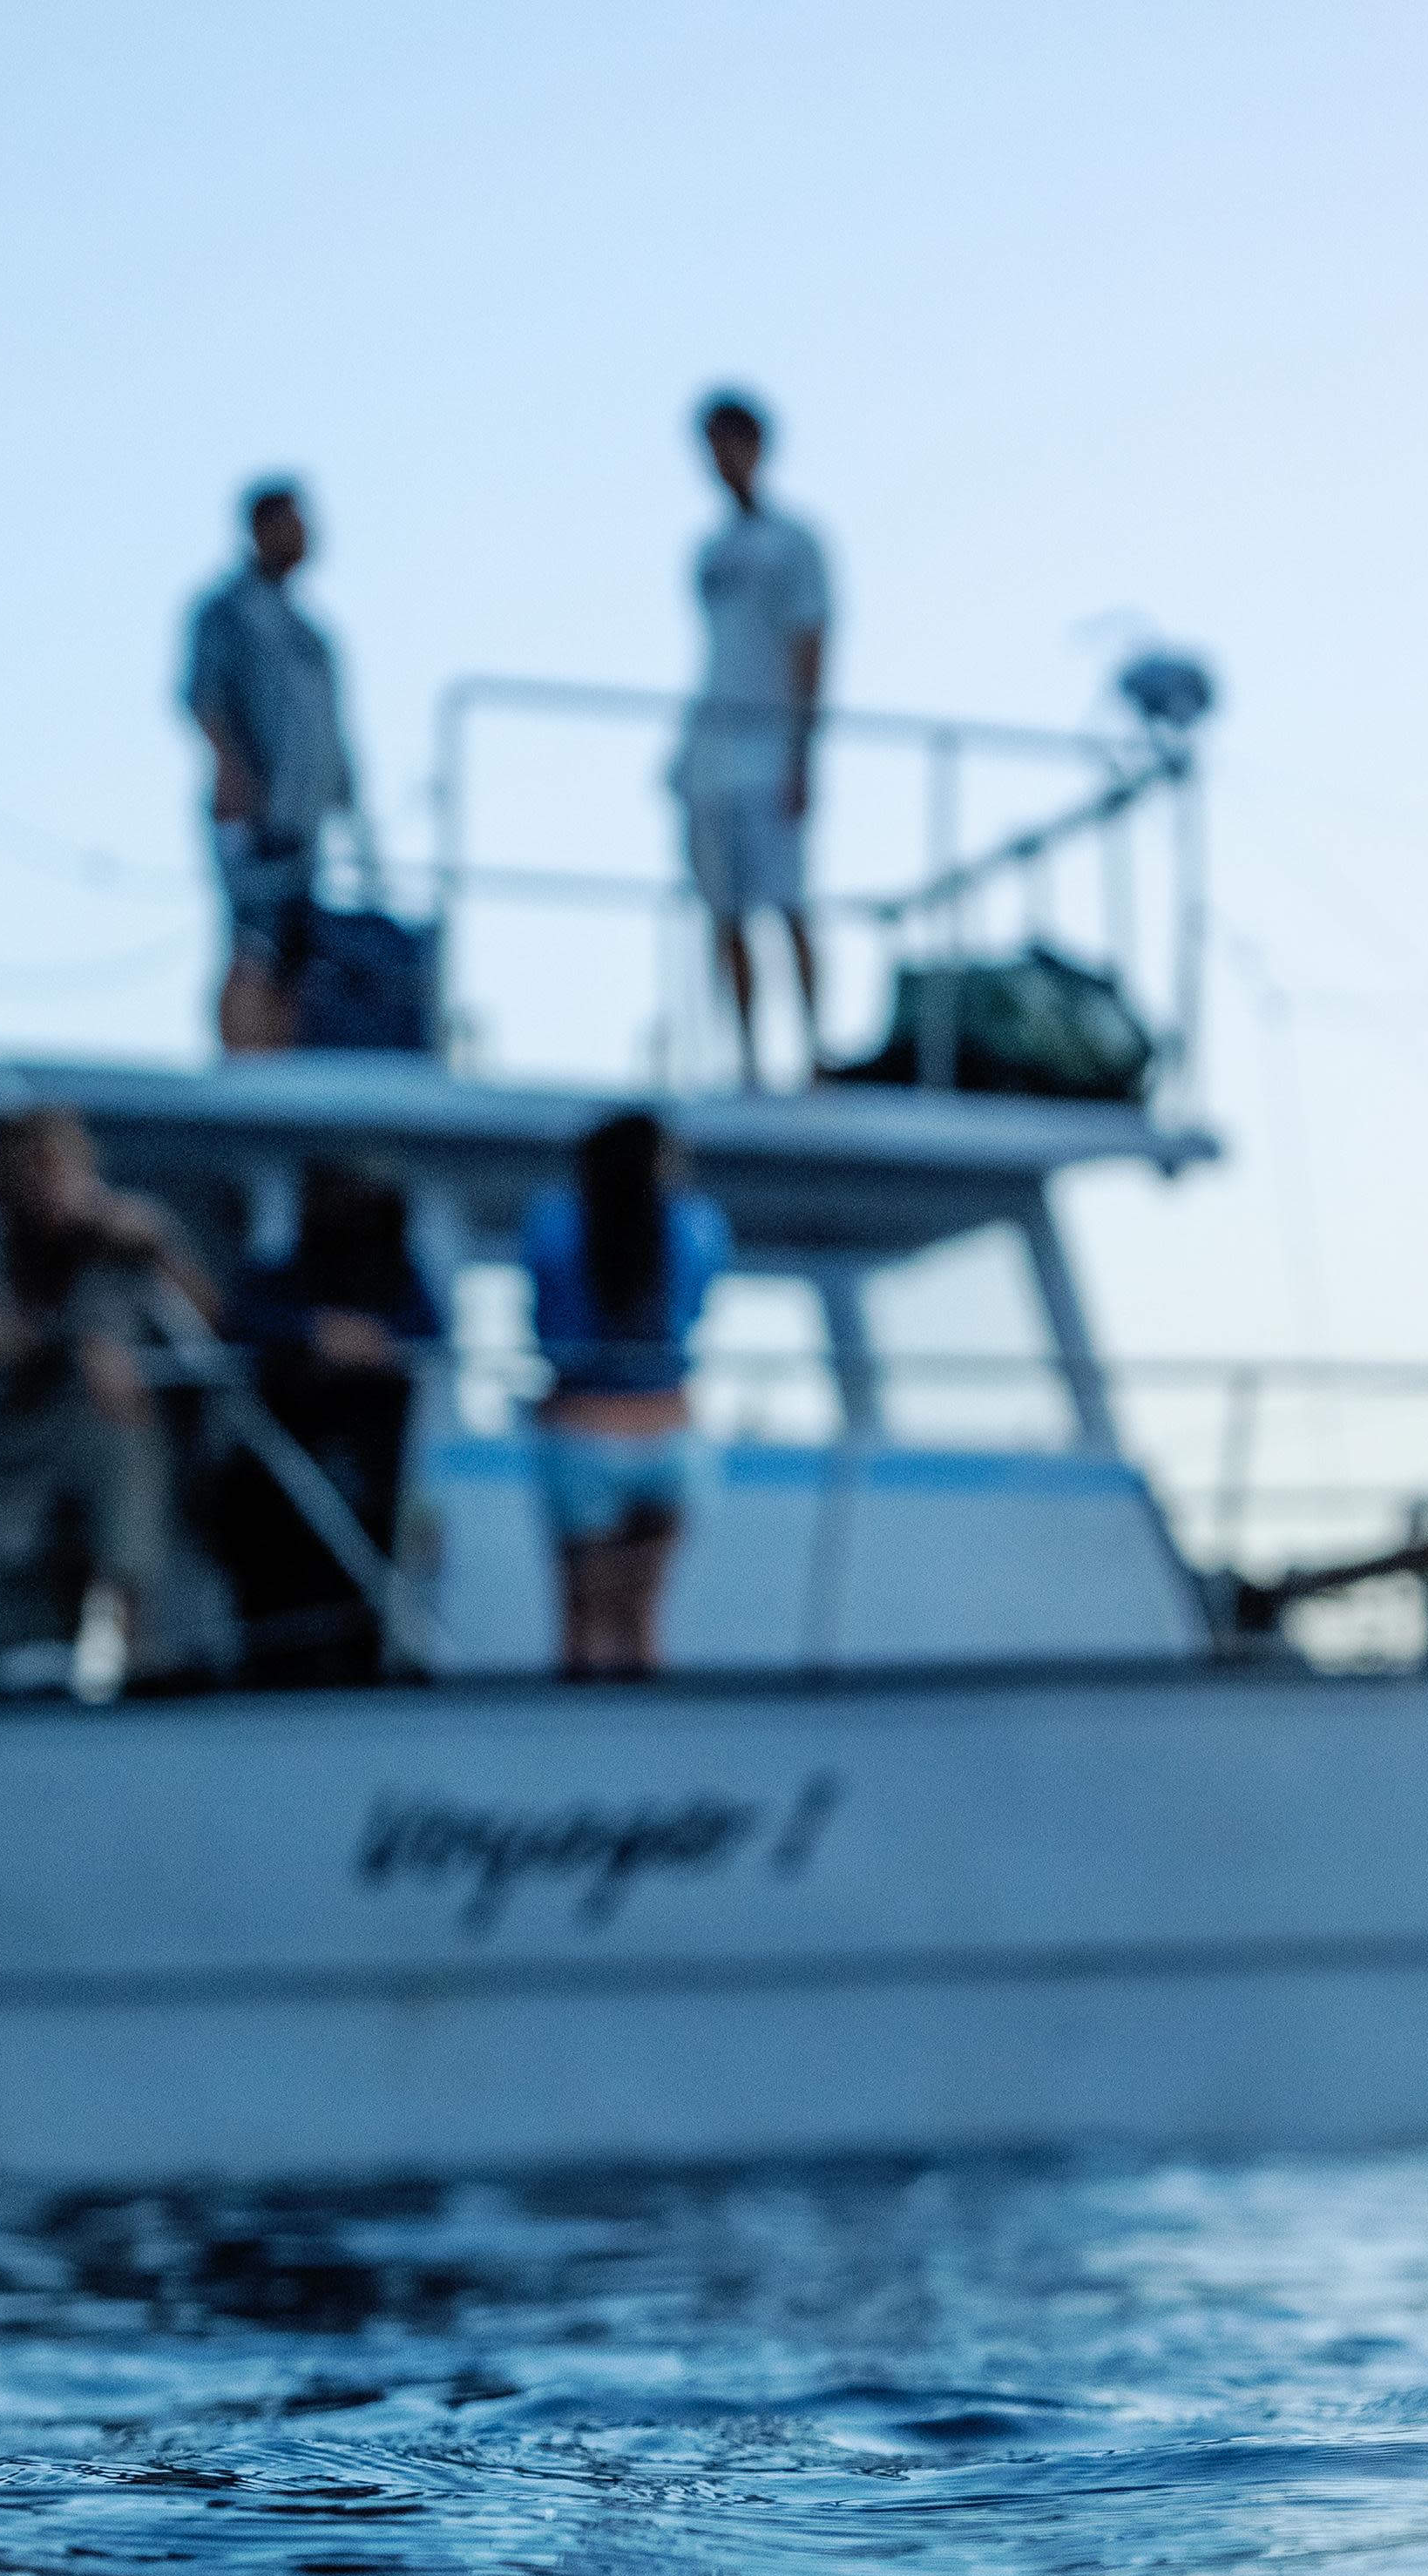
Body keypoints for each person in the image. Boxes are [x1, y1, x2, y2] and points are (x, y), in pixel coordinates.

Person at [0, 1106, 226, 1696]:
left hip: (111, 1487)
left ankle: (140, 1648)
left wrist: (160, 1249)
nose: (49, 1185)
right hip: (10, 1502)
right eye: (31, 1169)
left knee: (122, 1433)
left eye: (61, 1167)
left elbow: (211, 1324)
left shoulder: (127, 1250)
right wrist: (68, 1349)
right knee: (28, 1681)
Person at [201, 1158, 437, 1687]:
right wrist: (313, 1331)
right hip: (274, 1489)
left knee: (361, 1616)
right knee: (276, 1622)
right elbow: (237, 1318)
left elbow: (427, 1328)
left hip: (372, 1481)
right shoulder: (276, 1278)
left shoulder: (399, 1280)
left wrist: (372, 1342)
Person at [511, 1110, 729, 1679]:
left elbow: (545, 1322)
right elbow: (699, 1306)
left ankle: (577, 1758)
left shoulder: (555, 1223)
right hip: (670, 1430)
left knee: (582, 1623)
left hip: (582, 1428)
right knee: (644, 1619)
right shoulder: (697, 1225)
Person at [677, 390, 836, 1086]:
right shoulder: (710, 552)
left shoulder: (795, 544)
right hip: (711, 750)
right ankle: (744, 1060)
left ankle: (812, 1050)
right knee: (725, 909)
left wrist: (802, 749)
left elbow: (811, 644)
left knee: (787, 903)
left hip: (770, 749)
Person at [183, 477, 360, 1058]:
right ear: (263, 528)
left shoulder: (311, 632)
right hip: (251, 815)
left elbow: (332, 728)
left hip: (303, 822)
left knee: (297, 953)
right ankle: (239, 1061)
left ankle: (280, 1062)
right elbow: (202, 695)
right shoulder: (226, 611)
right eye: (294, 523)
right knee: (251, 942)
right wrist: (234, 775)